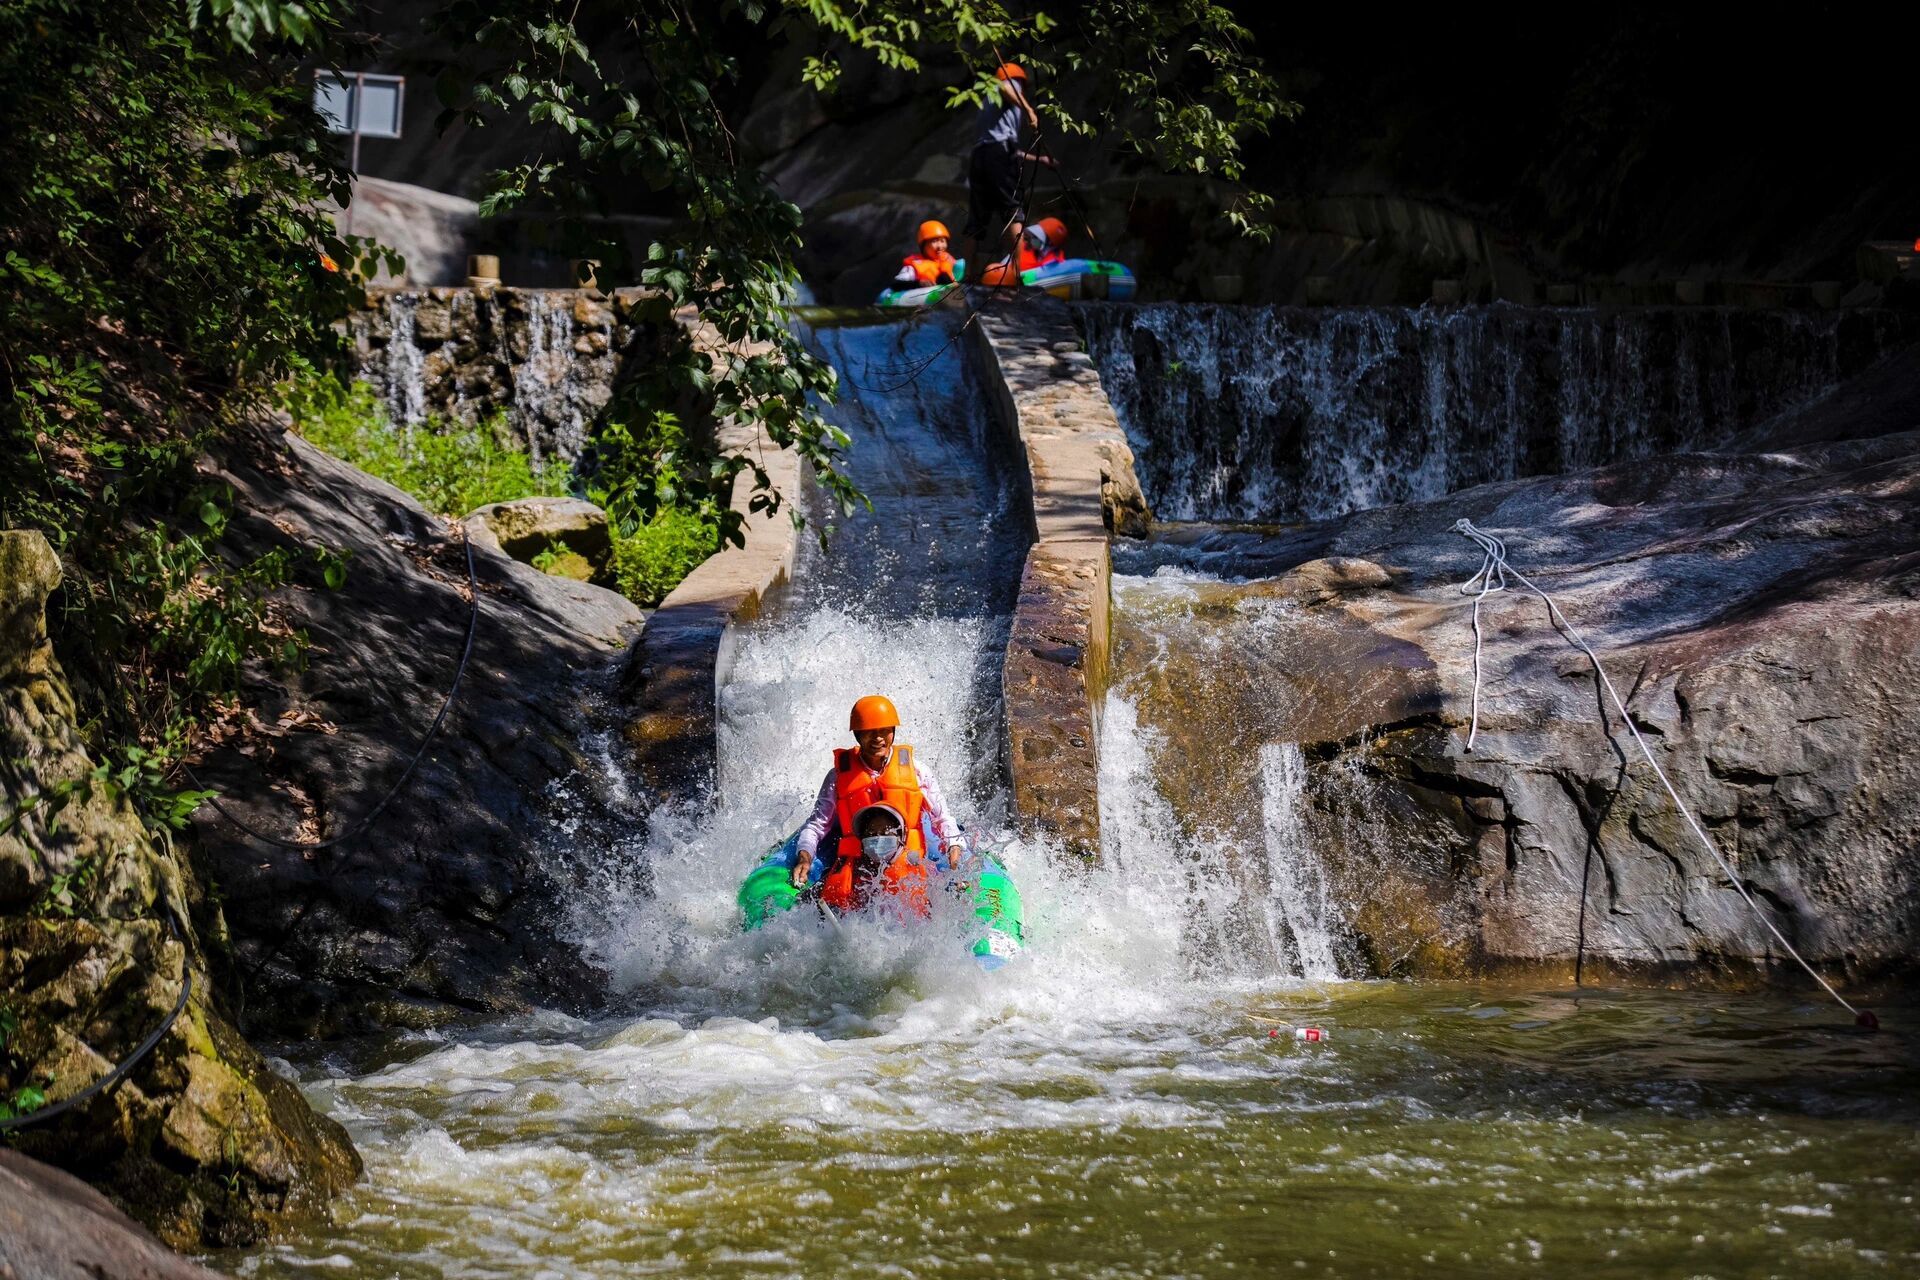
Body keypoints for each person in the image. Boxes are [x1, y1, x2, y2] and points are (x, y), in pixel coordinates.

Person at [792, 696, 966, 916]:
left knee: (925, 903)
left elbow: (942, 819)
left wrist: (954, 851)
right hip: (857, 863)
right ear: (857, 735)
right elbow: (816, 825)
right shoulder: (837, 776)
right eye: (869, 732)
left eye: (885, 731)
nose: (878, 739)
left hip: (905, 860)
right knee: (828, 898)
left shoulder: (917, 771)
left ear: (893, 731)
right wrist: (805, 858)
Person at [962, 63, 1057, 282]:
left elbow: (1009, 150)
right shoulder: (1007, 87)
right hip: (997, 155)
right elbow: (1008, 88)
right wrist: (1029, 110)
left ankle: (969, 274)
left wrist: (1040, 160)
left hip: (981, 157)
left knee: (976, 218)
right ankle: (1018, 272)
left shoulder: (989, 104)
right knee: (1013, 210)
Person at [892, 220, 961, 288]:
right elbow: (897, 284)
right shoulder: (913, 266)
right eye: (934, 241)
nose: (940, 246)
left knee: (944, 277)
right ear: (923, 245)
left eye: (942, 241)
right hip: (923, 296)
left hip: (949, 296)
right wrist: (919, 284)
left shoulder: (950, 262)